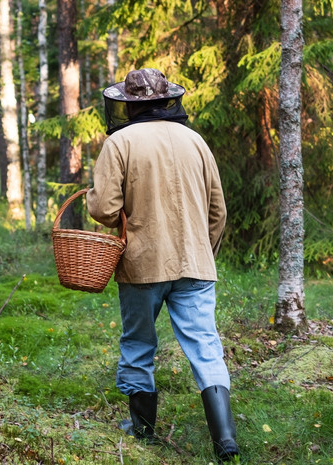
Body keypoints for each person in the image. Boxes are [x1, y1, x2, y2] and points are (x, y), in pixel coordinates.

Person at [86, 68, 239, 462]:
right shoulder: (196, 141)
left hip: (142, 265)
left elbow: (104, 209)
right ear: (166, 99)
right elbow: (218, 210)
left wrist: (94, 198)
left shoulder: (120, 142)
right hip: (196, 263)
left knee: (138, 345)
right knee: (207, 347)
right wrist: (204, 253)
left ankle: (142, 432)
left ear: (129, 104)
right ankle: (225, 442)